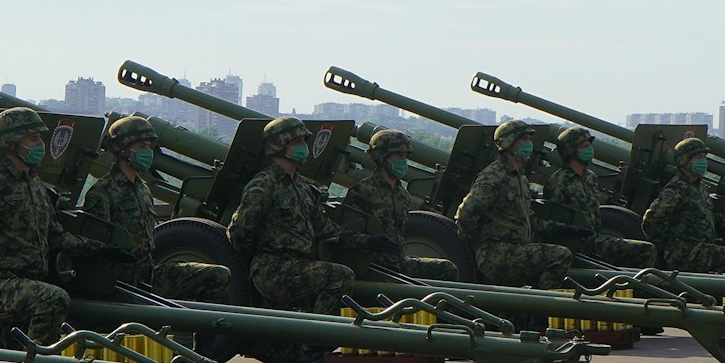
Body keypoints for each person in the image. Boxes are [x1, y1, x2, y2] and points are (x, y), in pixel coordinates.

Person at [0, 106, 123, 356]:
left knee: (15, 349)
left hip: (29, 283)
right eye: (33, 138)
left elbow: (54, 234)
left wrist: (97, 249)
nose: (40, 145)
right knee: (53, 299)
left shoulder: (34, 184)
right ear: (12, 143)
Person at [228, 116, 386, 315]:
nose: (304, 146)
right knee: (340, 276)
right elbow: (239, 232)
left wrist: (367, 241)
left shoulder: (302, 187)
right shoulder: (263, 185)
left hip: (299, 267)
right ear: (280, 144)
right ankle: (320, 333)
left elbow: (325, 228)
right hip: (273, 269)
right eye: (297, 141)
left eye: (304, 141)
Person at [79, 115, 232, 301]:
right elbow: (94, 248)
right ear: (122, 150)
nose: (148, 152)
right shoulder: (102, 193)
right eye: (141, 146)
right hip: (121, 281)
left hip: (148, 275)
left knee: (218, 275)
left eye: (149, 146)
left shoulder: (143, 190)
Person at [455, 121, 574, 288]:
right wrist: (476, 247)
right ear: (508, 143)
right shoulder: (493, 176)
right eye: (524, 139)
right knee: (560, 256)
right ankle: (543, 302)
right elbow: (466, 214)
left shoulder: (520, 178)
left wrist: (560, 229)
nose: (529, 144)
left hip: (515, 252)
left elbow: (529, 219)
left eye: (529, 139)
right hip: (495, 254)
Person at [338, 129, 459, 280]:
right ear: (382, 157)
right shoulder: (361, 192)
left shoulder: (402, 194)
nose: (403, 161)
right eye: (399, 156)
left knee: (447, 269)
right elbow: (343, 237)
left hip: (398, 264)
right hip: (373, 265)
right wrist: (370, 242)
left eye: (405, 156)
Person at [541, 127, 657, 268]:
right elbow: (552, 226)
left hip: (594, 243)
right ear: (570, 150)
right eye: (584, 146)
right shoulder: (558, 183)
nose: (590, 150)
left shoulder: (590, 177)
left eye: (589, 146)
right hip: (574, 248)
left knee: (647, 250)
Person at [641, 137, 725, 274]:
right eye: (699, 157)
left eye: (704, 157)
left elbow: (709, 217)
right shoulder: (676, 189)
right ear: (684, 161)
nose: (703, 162)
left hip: (700, 247)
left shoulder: (699, 187)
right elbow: (651, 221)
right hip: (683, 252)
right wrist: (666, 249)